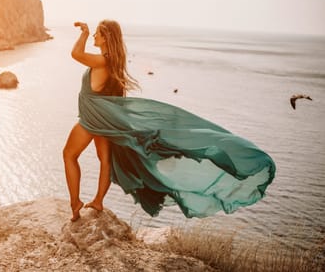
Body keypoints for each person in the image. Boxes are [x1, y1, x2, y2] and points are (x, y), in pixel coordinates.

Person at [63, 19, 276, 222]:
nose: (93, 35)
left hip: (92, 121)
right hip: (102, 121)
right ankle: (98, 201)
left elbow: (75, 54)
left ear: (106, 36)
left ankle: (75, 203)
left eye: (96, 32)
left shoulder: (102, 61)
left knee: (69, 155)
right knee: (105, 161)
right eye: (92, 33)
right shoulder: (113, 63)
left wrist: (81, 34)